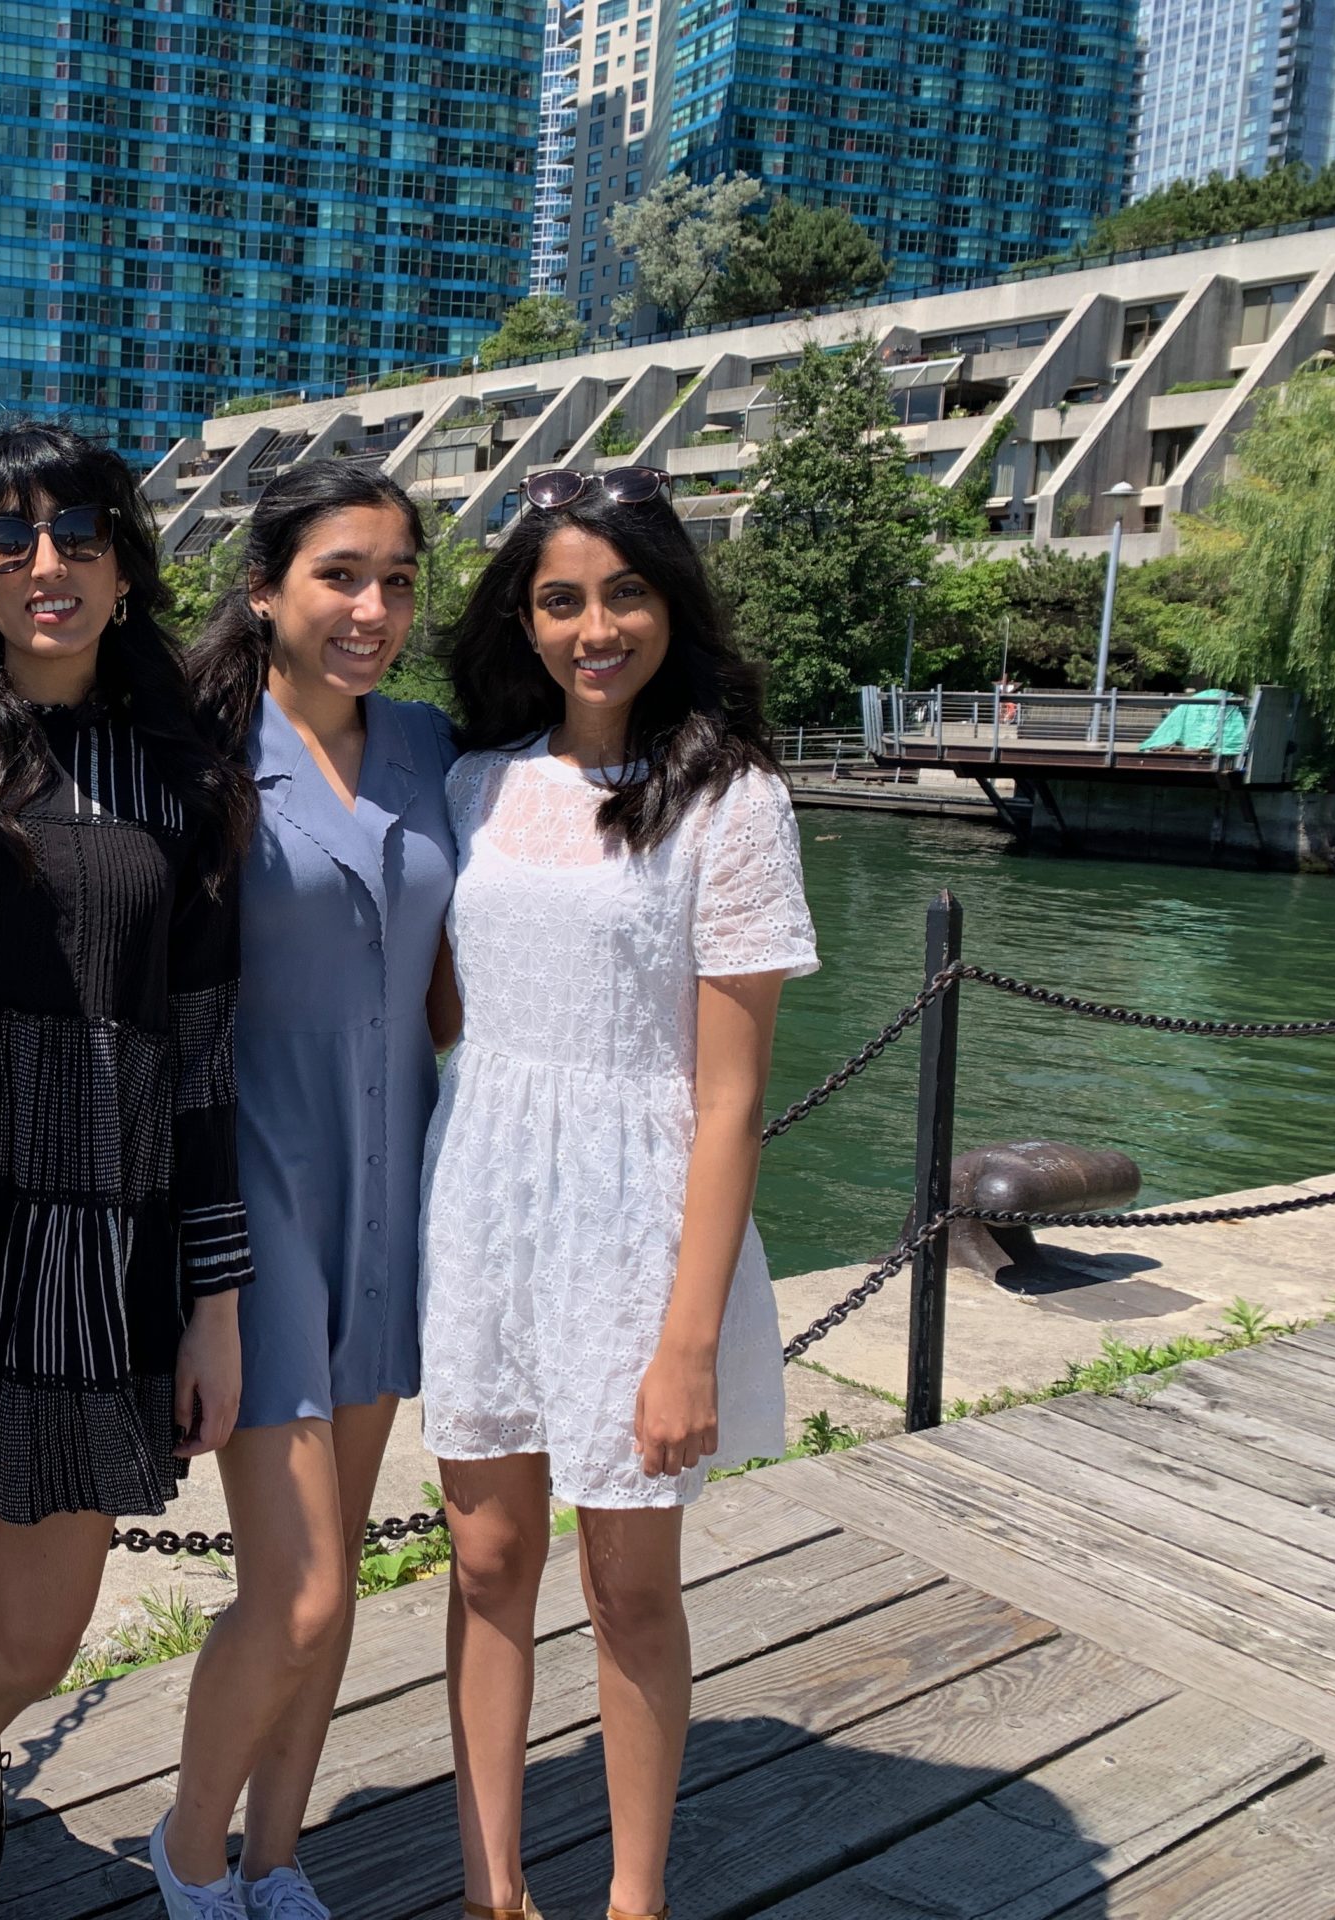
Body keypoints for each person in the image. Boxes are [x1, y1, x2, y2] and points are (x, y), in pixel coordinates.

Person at [0, 421, 257, 1918]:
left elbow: (203, 1058)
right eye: (7, 536)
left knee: (37, 1618)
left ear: (129, 570)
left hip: (101, 1219)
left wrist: (215, 1302)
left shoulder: (187, 778)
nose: (47, 561)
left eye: (81, 531)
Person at [422, 465, 817, 1920]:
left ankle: (632, 1901)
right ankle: (490, 1889)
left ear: (672, 602)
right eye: (563, 599)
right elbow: (449, 1014)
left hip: (636, 1222)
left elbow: (729, 1096)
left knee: (629, 1584)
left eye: (626, 592)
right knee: (486, 1560)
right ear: (523, 621)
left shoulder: (733, 797)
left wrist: (689, 1336)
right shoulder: (475, 781)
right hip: (480, 1204)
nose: (597, 627)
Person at [151, 460, 459, 1919]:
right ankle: (190, 1851)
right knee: (305, 1583)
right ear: (266, 589)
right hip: (256, 1193)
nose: (375, 608)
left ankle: (280, 1856)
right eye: (343, 574)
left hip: (395, 1190)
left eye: (399, 579)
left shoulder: (431, 746)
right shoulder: (196, 759)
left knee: (336, 1574)